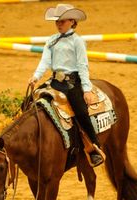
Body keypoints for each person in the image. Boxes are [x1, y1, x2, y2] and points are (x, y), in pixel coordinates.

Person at [28, 4, 105, 167]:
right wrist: (35, 77)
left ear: (72, 21)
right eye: (57, 21)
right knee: (29, 101)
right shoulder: (51, 40)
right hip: (55, 82)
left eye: (62, 21)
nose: (59, 24)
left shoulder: (78, 42)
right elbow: (45, 61)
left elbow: (83, 66)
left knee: (81, 111)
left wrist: (86, 89)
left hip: (72, 84)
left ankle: (94, 147)